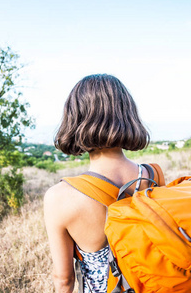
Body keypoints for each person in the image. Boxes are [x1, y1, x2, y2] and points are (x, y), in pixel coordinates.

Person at [44, 74, 152, 293]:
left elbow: (64, 280)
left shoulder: (59, 197)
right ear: (127, 114)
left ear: (75, 119)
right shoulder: (151, 176)